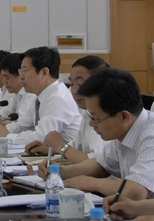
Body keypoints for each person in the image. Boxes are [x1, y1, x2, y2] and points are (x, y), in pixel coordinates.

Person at [38, 68, 154, 200]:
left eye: (96, 118)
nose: (91, 124)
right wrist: (62, 171)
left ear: (123, 117)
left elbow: (136, 191)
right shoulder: (123, 131)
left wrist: (92, 183)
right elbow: (102, 165)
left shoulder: (150, 134)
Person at [25, 56, 109, 163]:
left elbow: (97, 163)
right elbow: (76, 147)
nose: (74, 91)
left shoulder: (106, 117)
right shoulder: (86, 113)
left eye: (80, 84)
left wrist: (61, 147)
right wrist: (51, 149)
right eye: (71, 84)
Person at [0, 46, 81, 144]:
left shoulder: (58, 99)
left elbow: (43, 137)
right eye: (21, 71)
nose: (21, 77)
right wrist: (4, 130)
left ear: (44, 72)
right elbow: (22, 124)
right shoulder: (40, 97)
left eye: (25, 71)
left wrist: (7, 136)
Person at [0, 53, 37, 127]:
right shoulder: (17, 94)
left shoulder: (30, 94)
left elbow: (20, 124)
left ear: (20, 75)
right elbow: (2, 114)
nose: (4, 82)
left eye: (7, 78)